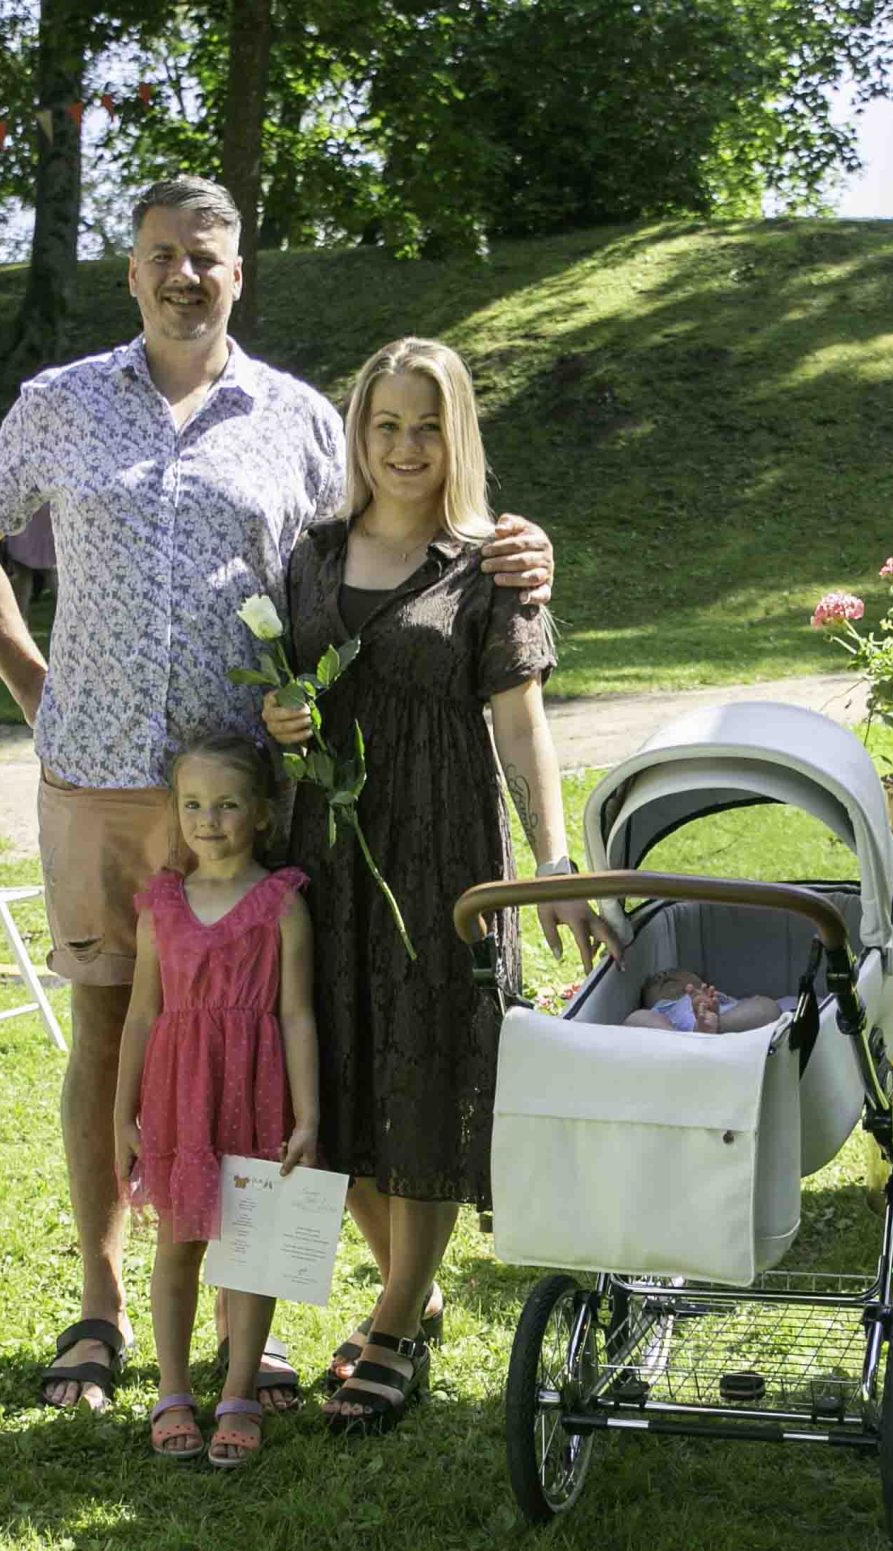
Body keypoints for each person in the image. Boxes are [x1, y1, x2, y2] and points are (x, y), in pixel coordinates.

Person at [0, 175, 557, 1413]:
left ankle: (253, 1322)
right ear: (131, 270)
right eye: (161, 254)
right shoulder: (59, 404)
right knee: (111, 1030)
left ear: (236, 273)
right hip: (100, 778)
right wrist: (37, 686)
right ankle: (102, 1303)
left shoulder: (298, 418)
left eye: (205, 257)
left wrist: (513, 544)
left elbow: (388, 537)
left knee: (267, 1037)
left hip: (250, 789)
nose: (184, 276)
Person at [261, 337, 613, 1432]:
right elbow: (288, 685)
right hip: (325, 849)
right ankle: (405, 1286)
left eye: (426, 426)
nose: (405, 446)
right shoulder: (313, 554)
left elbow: (521, 721)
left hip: (440, 851)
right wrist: (281, 719)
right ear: (357, 434)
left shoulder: (490, 565)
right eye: (385, 425)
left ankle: (397, 1321)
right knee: (340, 1067)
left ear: (455, 436)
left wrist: (551, 861)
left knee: (427, 1069)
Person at [110, 732, 320, 1467]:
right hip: (179, 1101)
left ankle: (238, 1392)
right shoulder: (161, 905)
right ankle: (172, 1390)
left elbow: (297, 1015)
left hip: (257, 1094)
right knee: (179, 1244)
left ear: (260, 812)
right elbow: (141, 1016)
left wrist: (308, 1115)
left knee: (250, 1251)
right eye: (193, 804)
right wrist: (122, 1114)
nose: (208, 820)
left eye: (227, 804)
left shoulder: (281, 905)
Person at [623, 969, 784, 1034]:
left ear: (701, 981)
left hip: (727, 1025)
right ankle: (687, 1038)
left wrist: (717, 1020)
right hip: (674, 1034)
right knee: (635, 1019)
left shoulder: (718, 998)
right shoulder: (660, 1011)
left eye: (674, 971)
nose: (662, 976)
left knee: (767, 1007)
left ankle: (713, 1027)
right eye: (652, 983)